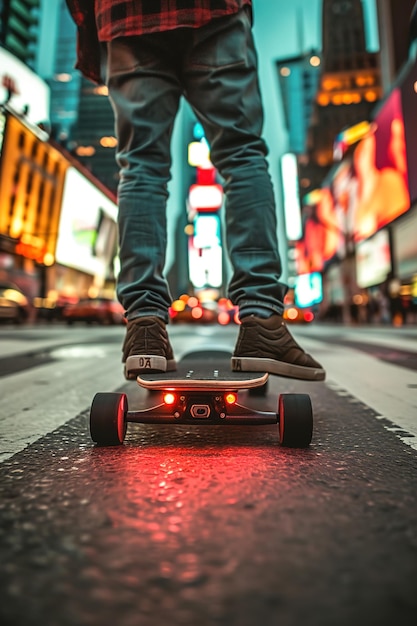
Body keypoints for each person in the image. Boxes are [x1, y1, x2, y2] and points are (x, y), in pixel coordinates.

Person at [65, 0, 325, 382]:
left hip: (124, 14)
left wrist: (92, 31)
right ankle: (261, 321)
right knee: (241, 155)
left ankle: (145, 326)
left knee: (141, 166)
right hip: (212, 8)